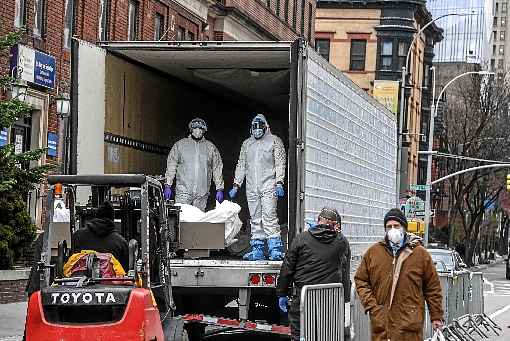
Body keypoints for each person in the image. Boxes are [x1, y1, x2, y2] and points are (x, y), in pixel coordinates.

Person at [354, 208, 443, 341]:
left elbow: (432, 287)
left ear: (404, 228)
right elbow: (361, 280)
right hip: (382, 326)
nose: (393, 229)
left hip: (409, 325)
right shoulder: (373, 253)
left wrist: (436, 316)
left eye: (396, 226)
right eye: (389, 226)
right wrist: (372, 306)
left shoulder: (420, 254)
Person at [276, 208, 350, 340]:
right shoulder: (342, 242)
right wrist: (345, 299)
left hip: (304, 302)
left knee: (300, 335)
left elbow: (287, 268)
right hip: (330, 304)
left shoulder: (301, 239)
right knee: (327, 335)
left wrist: (282, 293)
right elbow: (344, 271)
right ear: (335, 225)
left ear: (318, 221)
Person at [229, 114, 286, 261]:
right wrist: (236, 184)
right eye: (254, 127)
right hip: (252, 186)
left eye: (260, 127)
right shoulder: (247, 144)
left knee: (269, 217)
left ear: (266, 127)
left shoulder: (274, 141)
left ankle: (275, 249)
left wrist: (279, 182)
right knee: (255, 218)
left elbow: (280, 163)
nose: (257, 130)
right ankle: (258, 249)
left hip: (269, 185)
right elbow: (241, 165)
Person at [164, 117, 224, 211]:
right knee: (181, 220)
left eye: (200, 128)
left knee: (197, 223)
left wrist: (219, 188)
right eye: (195, 128)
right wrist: (168, 185)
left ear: (204, 131)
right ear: (191, 129)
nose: (198, 131)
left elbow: (217, 168)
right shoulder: (180, 145)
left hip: (202, 194)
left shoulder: (210, 148)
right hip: (183, 192)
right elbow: (171, 165)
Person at [72, 201, 129, 271]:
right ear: (112, 218)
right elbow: (125, 272)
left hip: (79, 280)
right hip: (110, 281)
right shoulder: (121, 243)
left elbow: (71, 263)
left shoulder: (78, 236)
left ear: (96, 216)